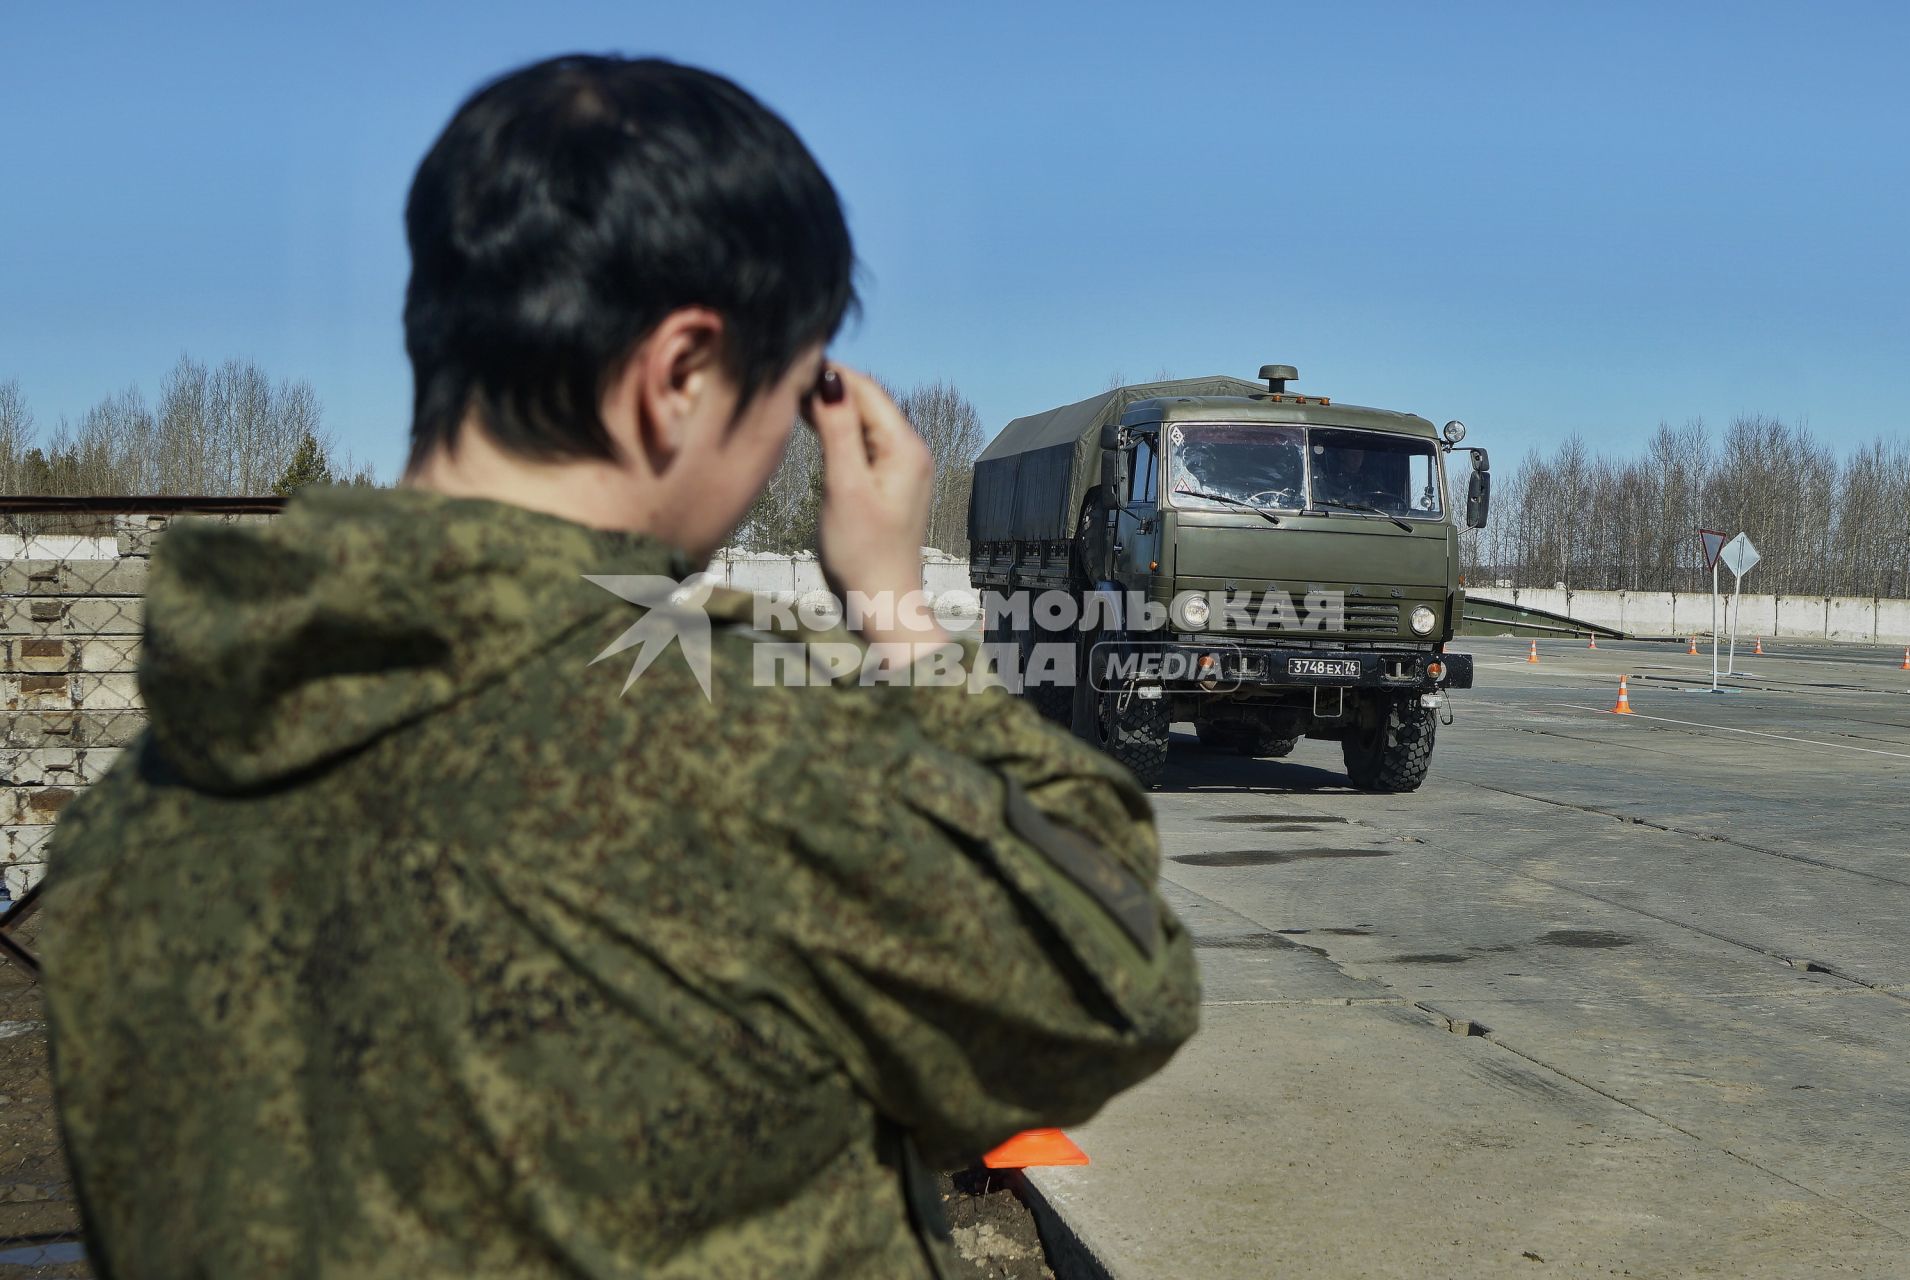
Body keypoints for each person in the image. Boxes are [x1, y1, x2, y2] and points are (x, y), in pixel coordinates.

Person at [40, 55, 1198, 1278]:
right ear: (683, 375)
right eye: (798, 384)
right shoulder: (754, 768)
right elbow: (1114, 977)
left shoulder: (129, 832)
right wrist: (902, 618)